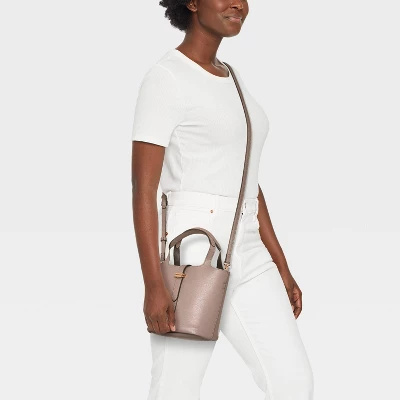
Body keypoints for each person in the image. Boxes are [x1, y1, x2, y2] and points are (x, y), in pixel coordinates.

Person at [131, 1, 314, 399]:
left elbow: (248, 183)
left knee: (293, 382)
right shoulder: (167, 77)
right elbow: (143, 190)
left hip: (247, 243)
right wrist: (153, 285)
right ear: (192, 2)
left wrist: (281, 265)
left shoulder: (231, 76)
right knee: (176, 388)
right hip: (193, 248)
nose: (239, 4)